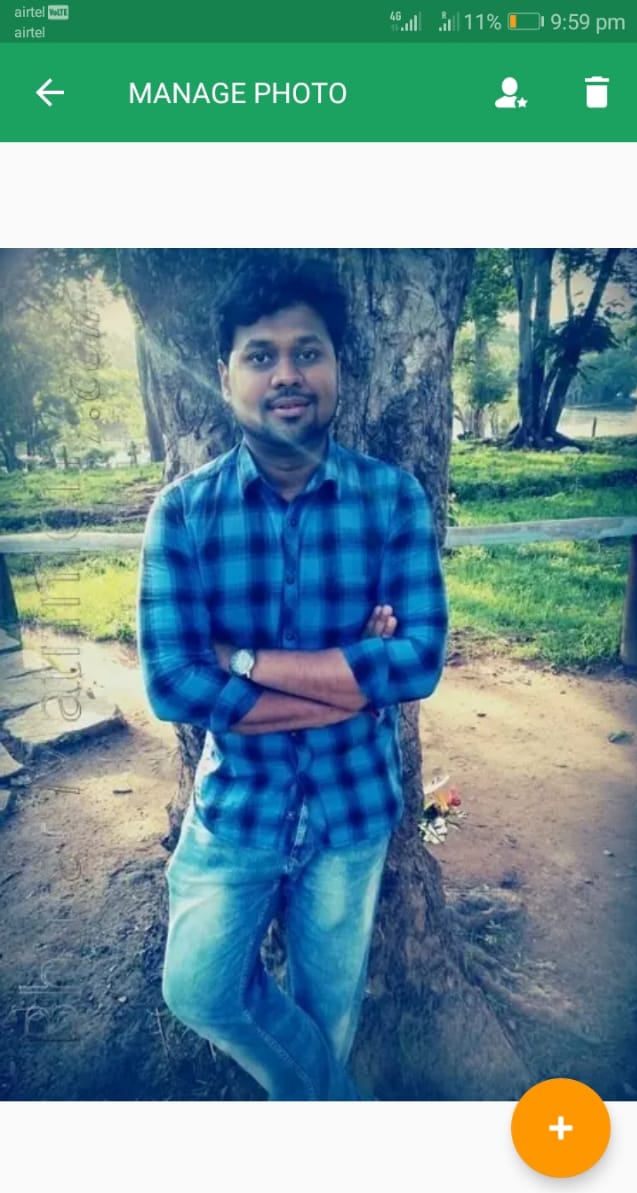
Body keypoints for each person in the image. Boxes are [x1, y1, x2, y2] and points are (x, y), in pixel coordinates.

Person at [137, 258, 448, 1100]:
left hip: (353, 807)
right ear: (225, 375)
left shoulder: (392, 501)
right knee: (198, 988)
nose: (286, 374)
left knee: (327, 1013)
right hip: (237, 806)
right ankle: (341, 1110)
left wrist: (240, 661)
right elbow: (172, 685)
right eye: (261, 355)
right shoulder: (185, 514)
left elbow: (418, 661)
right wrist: (352, 676)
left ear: (338, 367)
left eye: (307, 352)